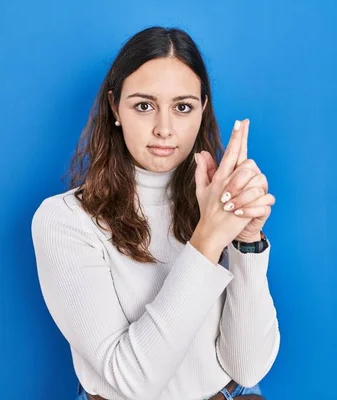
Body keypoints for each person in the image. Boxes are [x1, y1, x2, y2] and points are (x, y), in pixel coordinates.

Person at [31, 26, 279, 400]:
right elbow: (132, 383)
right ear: (115, 107)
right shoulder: (65, 220)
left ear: (202, 109)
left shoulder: (213, 201)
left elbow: (247, 367)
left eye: (182, 107)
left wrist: (246, 242)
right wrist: (208, 239)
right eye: (144, 105)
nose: (164, 129)